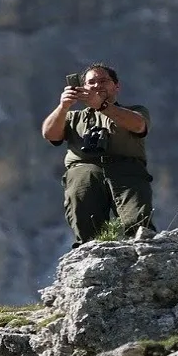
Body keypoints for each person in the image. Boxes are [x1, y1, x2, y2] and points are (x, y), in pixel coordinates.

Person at [41, 63, 156, 248]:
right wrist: (63, 107)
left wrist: (102, 106)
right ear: (82, 87)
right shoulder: (73, 117)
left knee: (139, 225)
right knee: (87, 230)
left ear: (116, 86)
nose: (96, 86)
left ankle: (143, 257)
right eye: (91, 82)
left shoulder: (135, 110)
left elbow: (138, 126)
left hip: (126, 170)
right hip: (84, 174)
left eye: (103, 81)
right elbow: (50, 134)